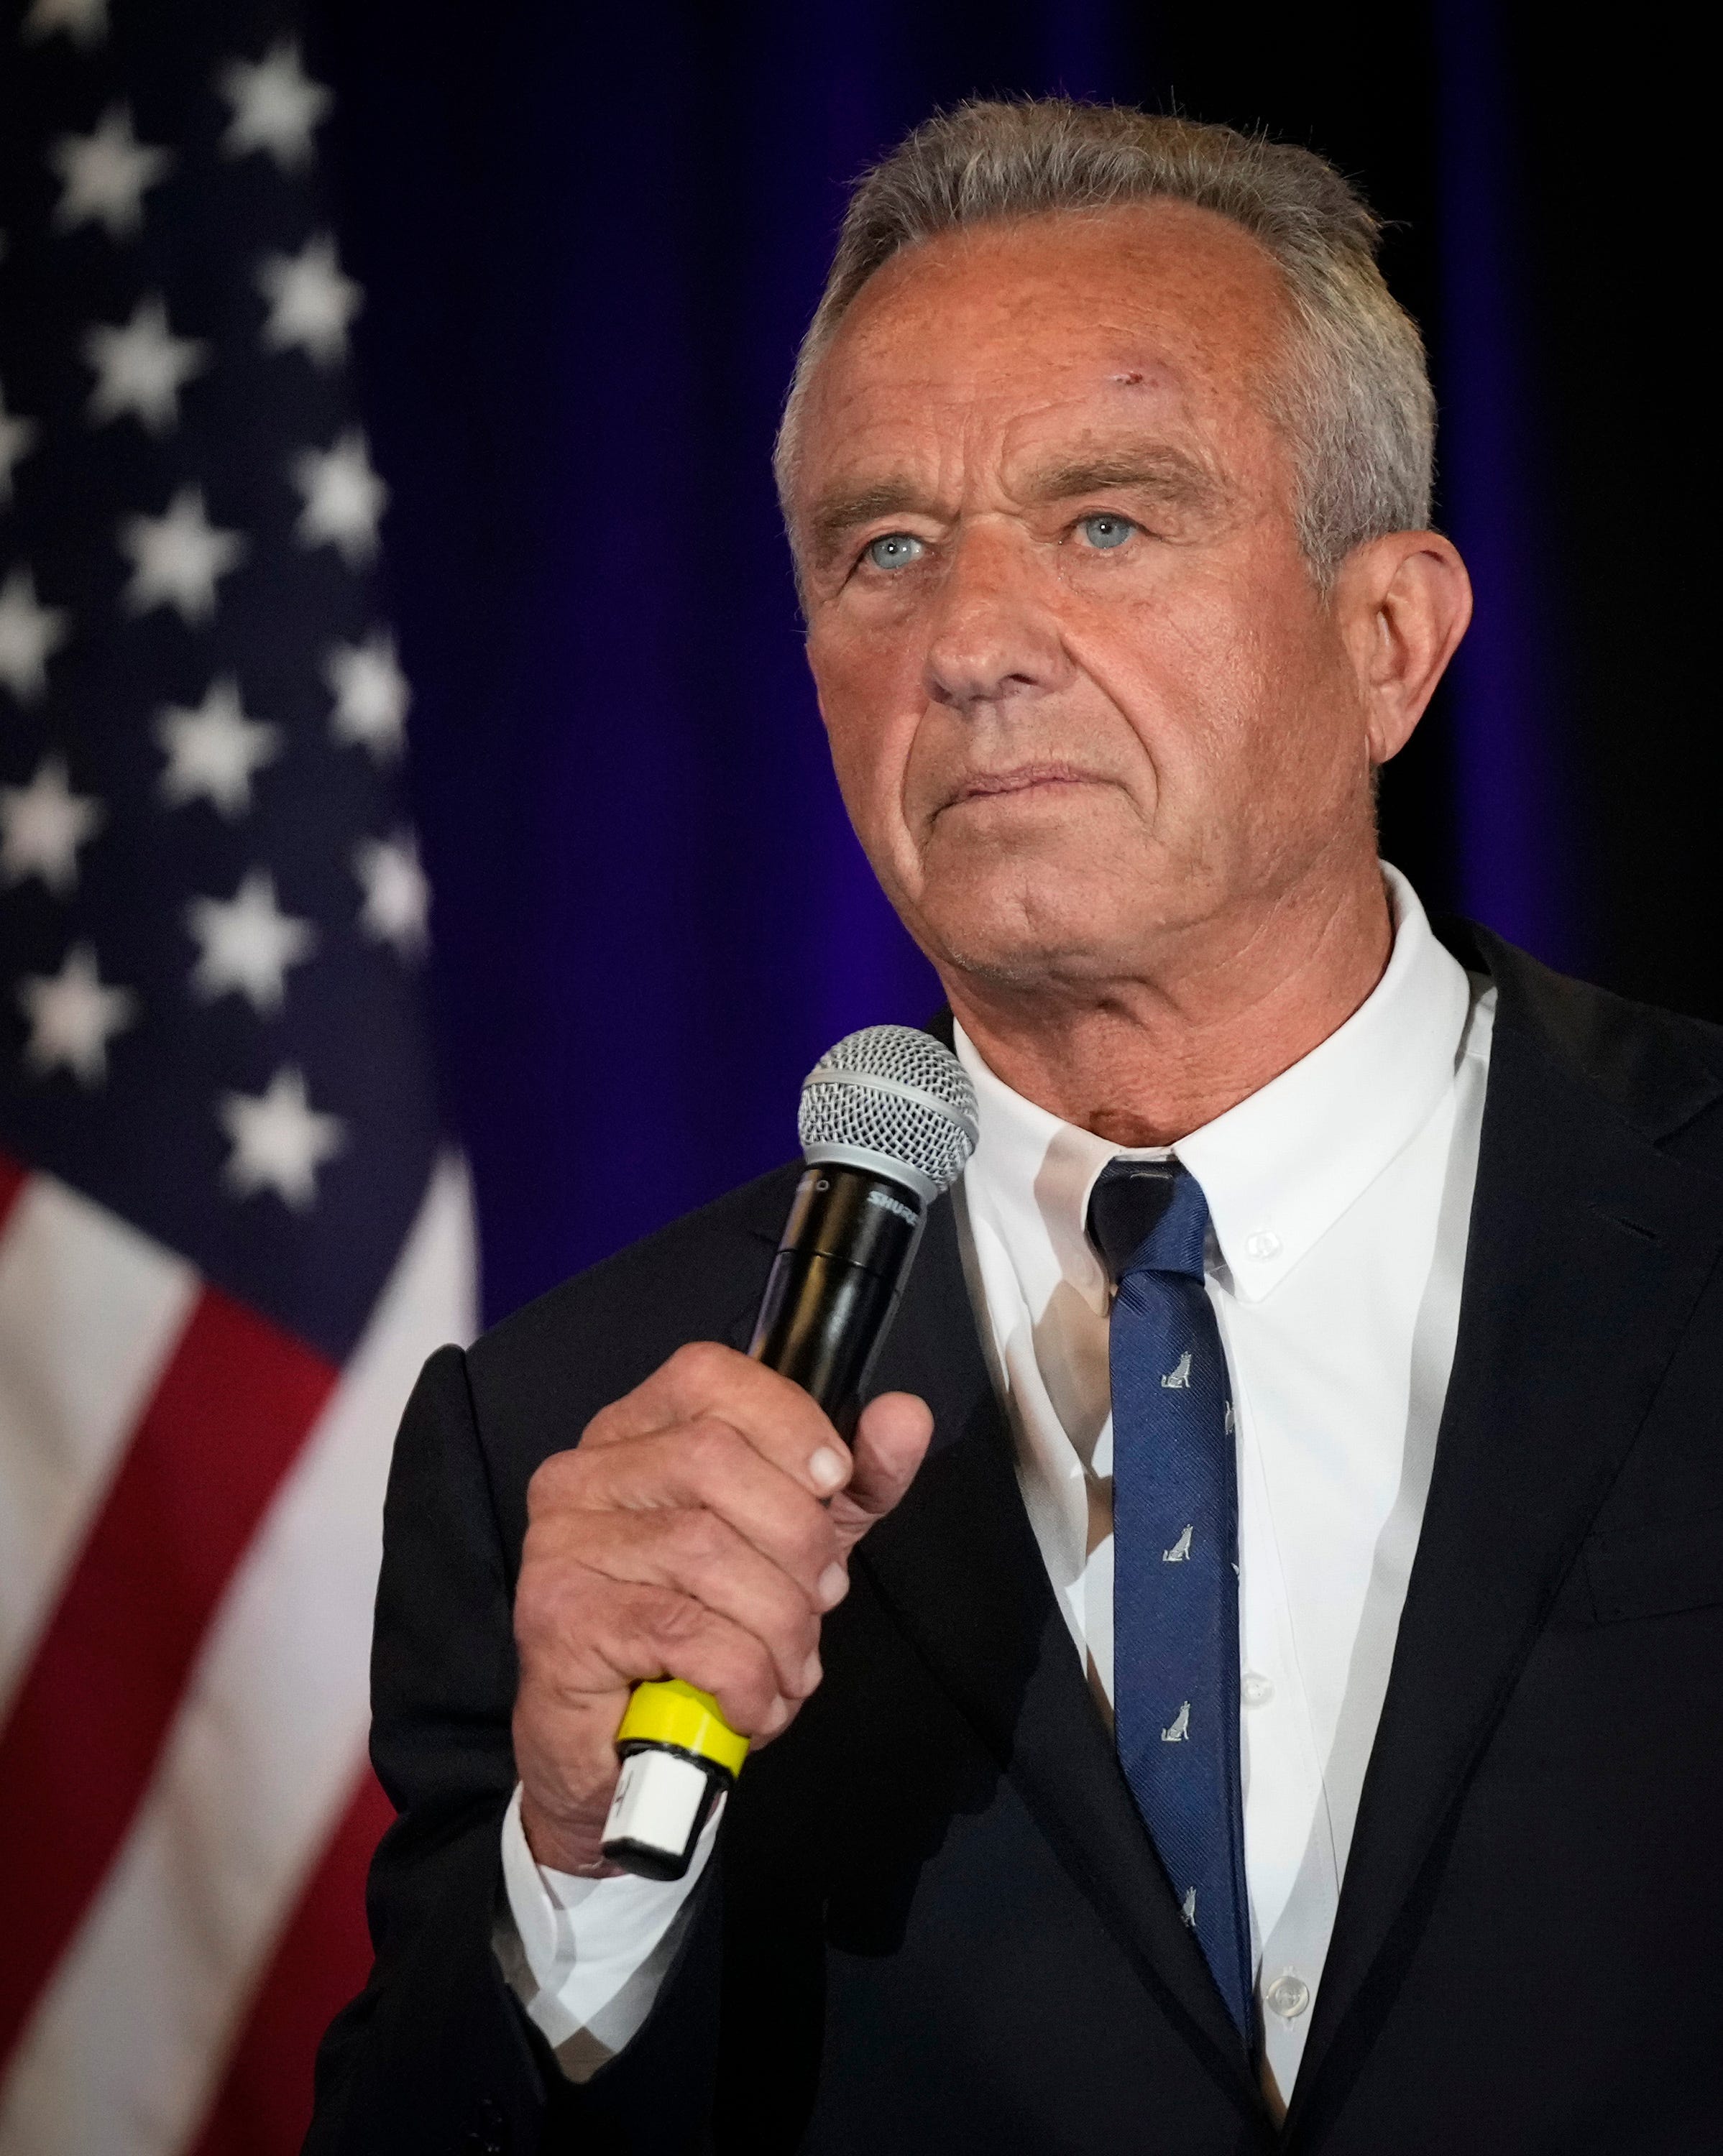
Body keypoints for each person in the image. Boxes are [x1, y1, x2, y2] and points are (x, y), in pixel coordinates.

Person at [306, 101, 1723, 2155]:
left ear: (1389, 637)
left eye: (1109, 521)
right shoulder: (563, 1438)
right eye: (884, 550)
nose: (967, 647)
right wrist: (577, 1864)